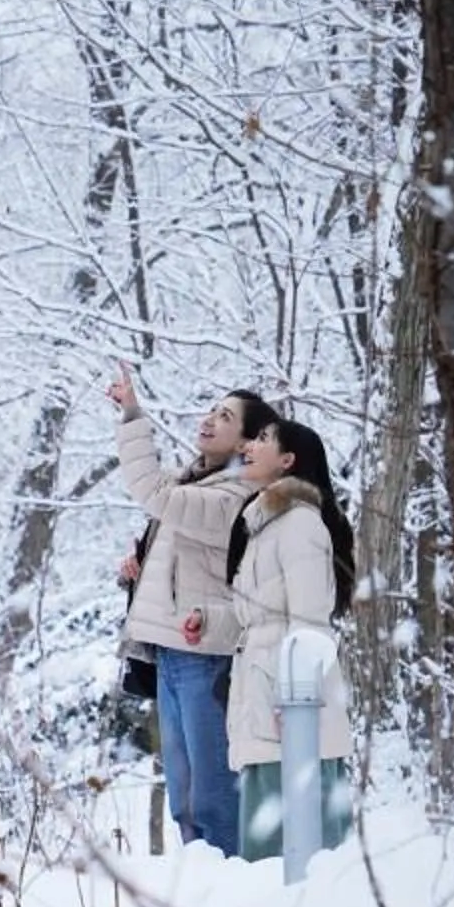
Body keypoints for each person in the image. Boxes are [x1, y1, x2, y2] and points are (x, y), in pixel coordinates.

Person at [108, 366, 276, 854]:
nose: (208, 420)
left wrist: (132, 415)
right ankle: (199, 884)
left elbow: (156, 495)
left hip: (205, 655)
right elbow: (177, 539)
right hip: (171, 651)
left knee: (213, 795)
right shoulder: (196, 482)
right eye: (210, 410)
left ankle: (232, 892)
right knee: (183, 795)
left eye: (225, 417)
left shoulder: (236, 495)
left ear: (247, 442)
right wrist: (139, 570)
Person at [189, 416, 358, 863]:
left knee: (303, 859)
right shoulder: (267, 526)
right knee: (269, 859)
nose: (249, 445)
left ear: (287, 460)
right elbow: (262, 617)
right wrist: (210, 620)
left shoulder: (299, 525)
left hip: (291, 716)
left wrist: (294, 702)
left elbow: (308, 619)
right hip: (265, 707)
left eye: (263, 439)